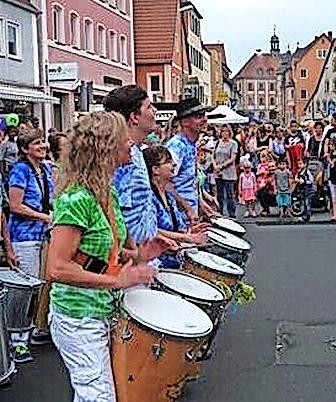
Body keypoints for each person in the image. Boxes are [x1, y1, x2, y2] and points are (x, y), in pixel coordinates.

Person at [47, 111, 167, 402]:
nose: (131, 142)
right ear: (105, 147)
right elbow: (57, 267)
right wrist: (117, 281)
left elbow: (97, 255)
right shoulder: (76, 199)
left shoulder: (106, 193)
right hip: (77, 317)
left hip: (103, 310)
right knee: (98, 397)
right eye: (123, 137)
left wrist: (138, 256)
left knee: (103, 393)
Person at [8, 129, 54, 362]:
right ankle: (17, 341)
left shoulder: (45, 169)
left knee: (40, 287)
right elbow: (15, 206)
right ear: (25, 149)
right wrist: (46, 218)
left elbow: (49, 200)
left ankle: (31, 331)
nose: (43, 146)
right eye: (36, 143)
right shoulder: (20, 170)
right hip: (24, 237)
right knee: (26, 290)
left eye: (43, 141)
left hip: (43, 235)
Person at [104, 85, 160, 246]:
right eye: (149, 106)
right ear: (134, 117)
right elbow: (117, 216)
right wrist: (133, 255)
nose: (155, 111)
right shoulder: (125, 159)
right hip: (131, 261)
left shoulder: (136, 151)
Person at [143, 146, 207, 269]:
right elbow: (150, 229)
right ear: (155, 169)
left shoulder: (170, 197)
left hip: (175, 260)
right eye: (168, 161)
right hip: (156, 264)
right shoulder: (148, 198)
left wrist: (190, 231)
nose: (174, 164)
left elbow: (175, 227)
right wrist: (186, 237)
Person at [165, 98, 216, 221]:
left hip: (188, 218)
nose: (205, 120)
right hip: (177, 218)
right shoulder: (177, 146)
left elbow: (188, 183)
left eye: (204, 115)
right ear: (185, 122)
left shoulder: (191, 144)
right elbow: (165, 183)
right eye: (198, 116)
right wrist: (187, 207)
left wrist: (201, 203)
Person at [213, 125, 238, 218]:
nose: (225, 133)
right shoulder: (217, 143)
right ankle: (220, 213)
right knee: (220, 194)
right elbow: (213, 155)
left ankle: (232, 214)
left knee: (230, 194)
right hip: (218, 172)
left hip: (229, 172)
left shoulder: (233, 143)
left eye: (227, 131)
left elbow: (233, 158)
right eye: (223, 131)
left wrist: (222, 166)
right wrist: (215, 166)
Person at [295, 158, 314, 222]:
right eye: (298, 164)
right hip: (302, 190)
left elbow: (311, 180)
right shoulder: (299, 172)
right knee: (302, 203)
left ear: (305, 164)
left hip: (308, 190)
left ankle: (307, 215)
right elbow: (297, 178)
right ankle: (302, 215)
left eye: (300, 164)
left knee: (307, 203)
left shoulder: (307, 172)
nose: (299, 166)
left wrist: (304, 181)